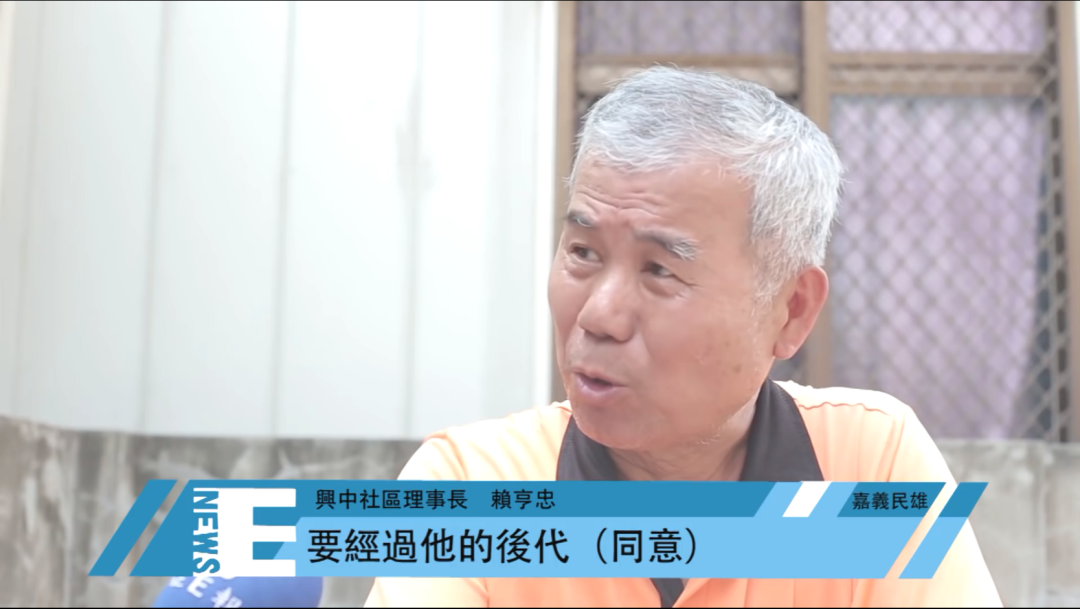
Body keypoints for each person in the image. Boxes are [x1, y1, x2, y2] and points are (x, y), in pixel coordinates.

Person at [365, 66, 1001, 608]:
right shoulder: (468, 490)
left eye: (660, 270)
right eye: (583, 252)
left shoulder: (870, 466)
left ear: (791, 310)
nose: (599, 316)